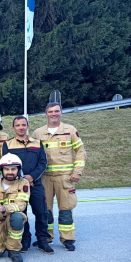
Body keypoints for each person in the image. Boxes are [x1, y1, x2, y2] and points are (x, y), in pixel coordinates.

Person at [33, 98, 86, 251]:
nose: (53, 114)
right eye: (50, 112)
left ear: (61, 113)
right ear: (46, 114)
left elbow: (80, 151)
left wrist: (77, 171)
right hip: (45, 178)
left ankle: (67, 239)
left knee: (66, 209)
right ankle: (46, 236)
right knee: (45, 209)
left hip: (65, 177)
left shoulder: (70, 130)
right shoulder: (38, 133)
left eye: (56, 111)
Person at [2, 116, 53, 254]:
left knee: (41, 212)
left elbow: (43, 163)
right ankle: (25, 240)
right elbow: (7, 165)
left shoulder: (37, 143)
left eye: (23, 125)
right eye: (17, 125)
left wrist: (31, 177)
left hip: (35, 183)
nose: (21, 127)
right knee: (20, 212)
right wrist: (22, 178)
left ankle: (43, 240)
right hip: (17, 185)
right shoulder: (8, 145)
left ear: (27, 126)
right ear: (13, 128)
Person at [0, 154, 31, 262]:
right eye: (6, 169)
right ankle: (3, 240)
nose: (10, 172)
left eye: (13, 169)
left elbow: (21, 204)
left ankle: (13, 249)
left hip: (12, 217)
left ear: (18, 169)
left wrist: (5, 208)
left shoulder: (24, 183)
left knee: (17, 218)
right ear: (1, 170)